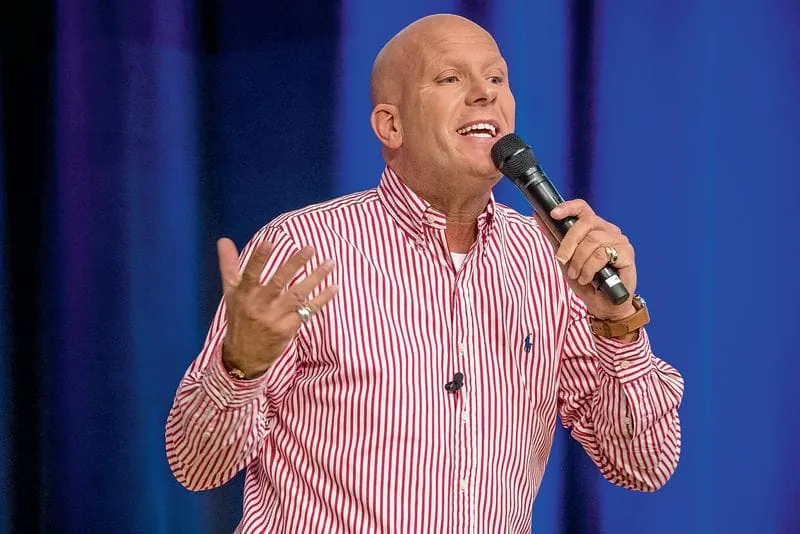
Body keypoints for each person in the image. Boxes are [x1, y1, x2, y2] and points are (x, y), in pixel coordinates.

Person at [166, 13, 683, 533]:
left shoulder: (549, 260)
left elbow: (644, 465)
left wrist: (616, 323)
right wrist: (240, 368)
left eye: (497, 77)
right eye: (450, 78)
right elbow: (197, 466)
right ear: (391, 126)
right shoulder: (306, 248)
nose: (484, 93)